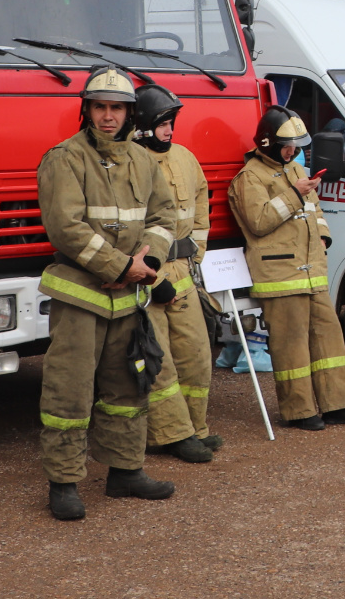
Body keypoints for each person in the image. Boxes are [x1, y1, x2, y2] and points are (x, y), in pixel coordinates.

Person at [36, 66, 180, 521]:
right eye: (99, 107)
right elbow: (66, 227)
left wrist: (149, 261)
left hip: (129, 299)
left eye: (116, 108)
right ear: (87, 110)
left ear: (129, 113)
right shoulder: (65, 158)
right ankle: (63, 483)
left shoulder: (142, 160)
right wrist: (120, 265)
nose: (107, 116)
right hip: (81, 296)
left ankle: (125, 472)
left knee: (128, 388)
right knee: (69, 392)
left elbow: (164, 216)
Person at [229, 106, 345, 430]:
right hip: (279, 276)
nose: (294, 151)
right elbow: (259, 221)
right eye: (288, 145)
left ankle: (338, 405)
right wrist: (295, 194)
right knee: (290, 345)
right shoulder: (249, 177)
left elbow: (315, 210)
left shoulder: (294, 168)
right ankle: (298, 411)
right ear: (267, 142)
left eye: (297, 145)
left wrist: (323, 235)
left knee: (328, 339)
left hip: (311, 270)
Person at [132, 85, 221, 464]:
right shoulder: (132, 162)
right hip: (148, 277)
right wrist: (152, 275)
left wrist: (196, 252)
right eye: (163, 124)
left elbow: (202, 201)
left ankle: (196, 428)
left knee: (197, 356)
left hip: (184, 272)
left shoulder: (185, 157)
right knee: (162, 362)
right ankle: (172, 436)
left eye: (171, 123)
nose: (170, 131)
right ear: (143, 126)